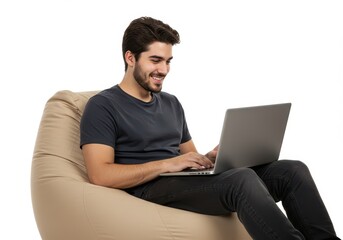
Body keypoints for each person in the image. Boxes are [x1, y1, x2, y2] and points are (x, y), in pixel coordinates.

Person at [80, 16, 340, 240]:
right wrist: (167, 164)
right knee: (242, 181)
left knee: (291, 170)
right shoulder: (103, 105)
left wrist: (213, 158)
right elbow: (100, 175)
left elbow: (191, 158)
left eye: (169, 61)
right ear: (130, 57)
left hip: (178, 183)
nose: (164, 69)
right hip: (147, 189)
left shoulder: (170, 103)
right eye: (156, 60)